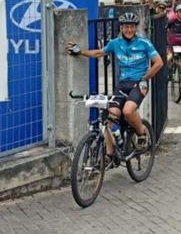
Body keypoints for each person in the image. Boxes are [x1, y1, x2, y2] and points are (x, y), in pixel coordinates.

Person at [65, 12, 162, 153]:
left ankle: (141, 133)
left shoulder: (144, 43)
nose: (129, 30)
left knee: (128, 111)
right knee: (111, 117)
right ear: (121, 28)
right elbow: (98, 53)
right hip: (123, 84)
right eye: (126, 27)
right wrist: (80, 52)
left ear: (135, 28)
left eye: (132, 27)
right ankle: (110, 155)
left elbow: (158, 63)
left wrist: (145, 78)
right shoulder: (115, 43)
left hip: (140, 83)